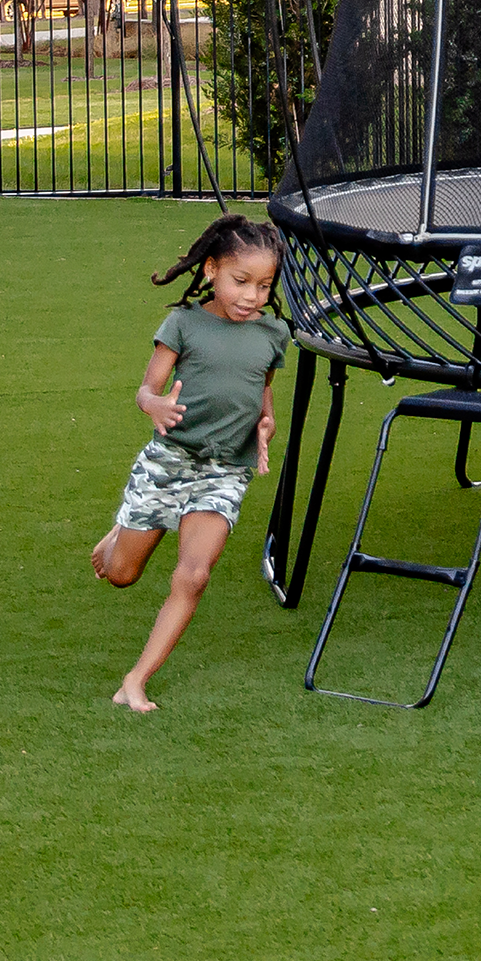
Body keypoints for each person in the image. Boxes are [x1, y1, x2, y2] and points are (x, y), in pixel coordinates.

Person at [91, 213, 294, 709]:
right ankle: (120, 532)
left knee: (194, 575)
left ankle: (136, 679)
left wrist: (266, 424)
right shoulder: (182, 324)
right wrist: (154, 405)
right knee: (120, 574)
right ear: (210, 271)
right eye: (240, 281)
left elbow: (260, 393)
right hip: (169, 461)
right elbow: (147, 389)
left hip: (224, 471)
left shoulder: (273, 335)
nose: (252, 296)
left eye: (264, 285)